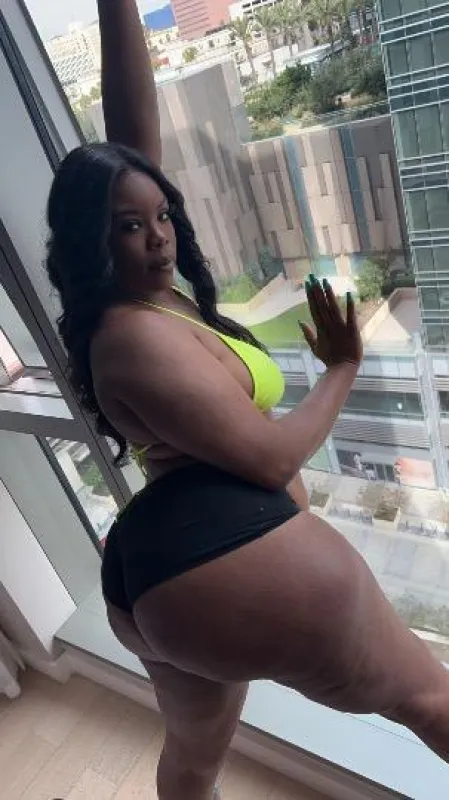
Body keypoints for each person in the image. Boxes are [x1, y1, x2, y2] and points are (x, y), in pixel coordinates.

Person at [45, 2, 449, 798]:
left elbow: (130, 134)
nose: (160, 235)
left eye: (162, 215)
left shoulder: (131, 298)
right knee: (431, 700)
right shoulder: (134, 335)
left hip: (157, 575)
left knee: (195, 757)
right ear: (93, 237)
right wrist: (340, 368)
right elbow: (267, 460)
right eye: (130, 226)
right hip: (224, 561)